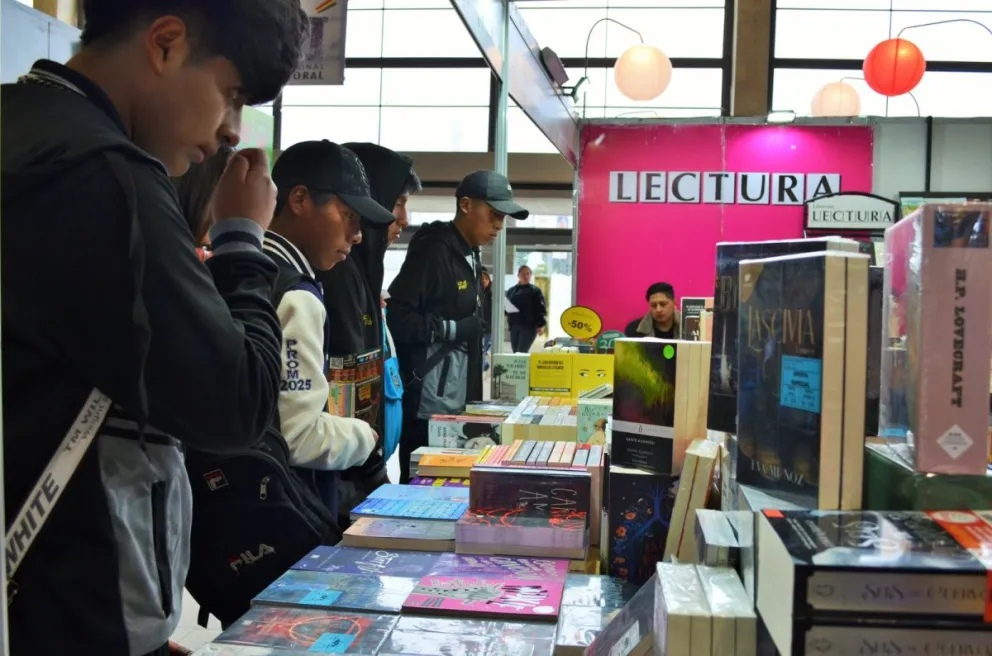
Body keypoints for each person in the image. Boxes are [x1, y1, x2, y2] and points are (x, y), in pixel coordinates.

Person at [0, 0, 307, 652]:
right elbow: (235, 404)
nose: (230, 131)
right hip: (66, 619)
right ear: (166, 43)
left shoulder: (21, 129)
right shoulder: (109, 179)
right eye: (229, 94)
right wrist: (243, 240)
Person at [265, 140, 397, 516]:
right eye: (348, 215)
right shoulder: (296, 295)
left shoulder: (244, 267)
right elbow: (298, 434)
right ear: (300, 200)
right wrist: (363, 436)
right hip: (282, 507)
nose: (357, 235)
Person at [388, 170, 530, 482]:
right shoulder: (433, 250)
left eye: (504, 217)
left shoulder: (470, 254)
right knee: (419, 489)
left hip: (458, 403)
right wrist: (453, 329)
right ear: (466, 205)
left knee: (451, 489)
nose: (499, 224)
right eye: (493, 213)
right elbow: (398, 317)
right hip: (428, 406)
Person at [316, 142, 421, 520]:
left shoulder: (363, 274)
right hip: (339, 477)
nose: (403, 219)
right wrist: (370, 470)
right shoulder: (338, 273)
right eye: (398, 204)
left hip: (358, 469)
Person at [506, 265, 548, 353]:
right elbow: (506, 307)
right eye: (523, 274)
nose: (525, 276)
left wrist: (540, 325)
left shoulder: (535, 291)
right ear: (518, 275)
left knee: (521, 352)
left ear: (530, 275)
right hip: (514, 325)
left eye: (528, 274)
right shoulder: (511, 291)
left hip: (529, 326)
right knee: (515, 352)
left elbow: (540, 309)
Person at [480, 268, 493, 371]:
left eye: (486, 278)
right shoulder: (475, 294)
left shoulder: (492, 295)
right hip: (477, 327)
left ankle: (482, 366)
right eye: (481, 278)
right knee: (481, 350)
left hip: (488, 327)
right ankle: (483, 364)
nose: (483, 280)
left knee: (482, 350)